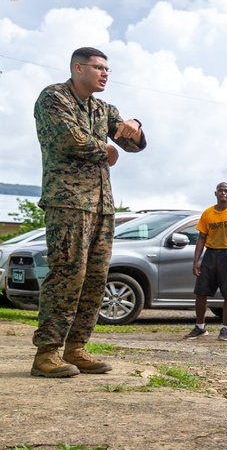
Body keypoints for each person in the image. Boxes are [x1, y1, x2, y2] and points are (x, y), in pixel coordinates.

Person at [30, 47, 146, 378]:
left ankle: (77, 347)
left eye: (107, 69)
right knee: (68, 273)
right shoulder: (54, 97)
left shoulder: (102, 108)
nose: (105, 73)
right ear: (78, 68)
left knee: (95, 278)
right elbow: (69, 140)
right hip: (67, 202)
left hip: (101, 205)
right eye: (98, 67)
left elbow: (132, 144)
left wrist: (135, 124)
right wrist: (105, 149)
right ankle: (47, 352)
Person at [186, 182, 227, 341]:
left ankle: (225, 328)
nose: (223, 193)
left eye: (226, 190)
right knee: (201, 292)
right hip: (211, 254)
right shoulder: (207, 213)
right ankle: (200, 327)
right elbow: (201, 238)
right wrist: (196, 261)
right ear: (215, 194)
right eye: (220, 190)